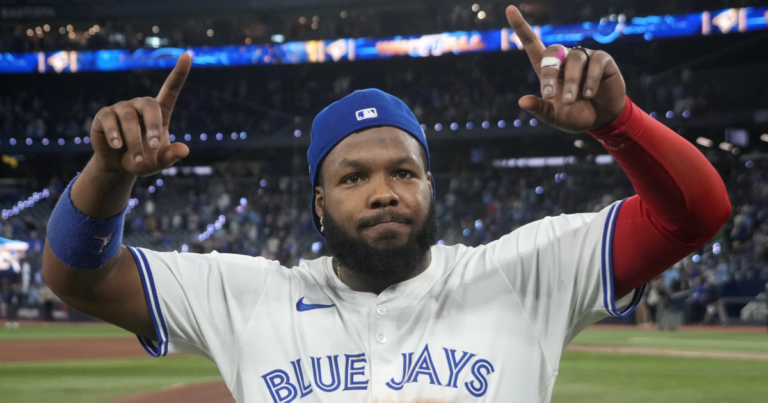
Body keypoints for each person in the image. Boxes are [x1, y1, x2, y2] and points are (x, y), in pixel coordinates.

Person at [41, 6, 731, 403]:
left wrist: (621, 121)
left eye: (405, 170)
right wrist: (107, 172)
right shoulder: (249, 294)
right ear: (317, 201)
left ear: (430, 185)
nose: (383, 190)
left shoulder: (525, 272)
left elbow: (694, 214)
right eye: (352, 178)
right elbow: (78, 274)